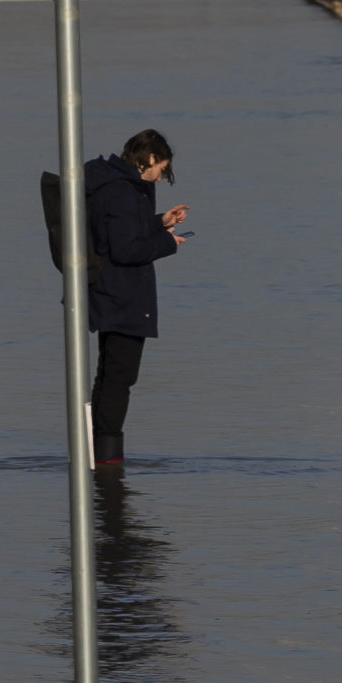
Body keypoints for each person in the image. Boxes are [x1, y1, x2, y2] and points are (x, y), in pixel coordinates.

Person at [83, 129, 190, 469]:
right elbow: (127, 249)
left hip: (112, 293)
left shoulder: (115, 185)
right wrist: (168, 244)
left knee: (110, 376)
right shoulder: (123, 192)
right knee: (119, 379)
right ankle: (108, 461)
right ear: (150, 159)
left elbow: (125, 230)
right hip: (123, 298)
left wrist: (160, 222)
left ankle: (100, 456)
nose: (160, 177)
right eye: (161, 169)